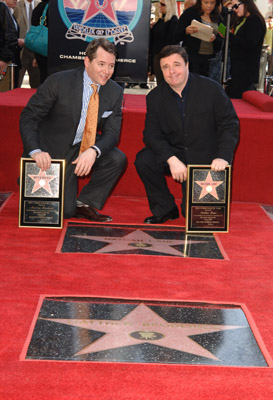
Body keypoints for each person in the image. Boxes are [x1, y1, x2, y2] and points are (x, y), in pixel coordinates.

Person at [20, 38, 127, 222]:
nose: (107, 71)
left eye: (111, 65)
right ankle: (33, 181)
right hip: (52, 149)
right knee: (64, 212)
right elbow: (29, 116)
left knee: (117, 158)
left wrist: (94, 151)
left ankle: (84, 203)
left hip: (84, 146)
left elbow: (112, 133)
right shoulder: (58, 82)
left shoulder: (115, 91)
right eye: (101, 64)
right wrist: (35, 151)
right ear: (87, 61)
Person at [134, 45, 239, 224]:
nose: (171, 71)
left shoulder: (211, 89)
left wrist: (223, 157)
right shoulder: (155, 97)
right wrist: (171, 159)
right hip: (176, 154)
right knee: (144, 159)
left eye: (176, 65)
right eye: (165, 67)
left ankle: (185, 206)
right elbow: (151, 134)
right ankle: (165, 208)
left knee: (196, 218)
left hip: (206, 159)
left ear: (187, 65)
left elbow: (229, 125)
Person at [225, 0, 266, 98]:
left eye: (236, 6)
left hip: (245, 71)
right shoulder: (245, 19)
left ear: (245, 3)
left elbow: (249, 44)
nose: (234, 9)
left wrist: (229, 36)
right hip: (239, 70)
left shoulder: (254, 20)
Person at [175, 0, 223, 77]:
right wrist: (186, 31)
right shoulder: (190, 13)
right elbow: (176, 36)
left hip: (211, 58)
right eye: (206, 2)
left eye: (212, 3)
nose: (209, 6)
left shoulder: (218, 17)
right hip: (192, 56)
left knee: (207, 84)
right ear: (200, 2)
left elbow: (222, 40)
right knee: (194, 83)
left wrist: (215, 39)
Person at [150, 0, 179, 84]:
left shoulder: (173, 21)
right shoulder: (161, 20)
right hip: (158, 55)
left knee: (165, 84)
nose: (159, 6)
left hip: (166, 57)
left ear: (169, 6)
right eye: (160, 3)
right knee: (161, 83)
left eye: (162, 4)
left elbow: (172, 42)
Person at [14, 0, 40, 88]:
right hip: (21, 49)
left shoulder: (40, 5)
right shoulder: (16, 6)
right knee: (17, 81)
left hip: (36, 49)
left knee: (36, 83)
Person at [1, 0, 24, 87]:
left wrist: (4, 58)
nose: (15, 0)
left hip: (10, 59)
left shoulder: (8, 11)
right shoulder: (3, 9)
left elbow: (9, 35)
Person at [31, 0, 48, 83]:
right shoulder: (57, 8)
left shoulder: (38, 8)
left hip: (40, 49)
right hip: (53, 50)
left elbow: (33, 24)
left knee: (43, 76)